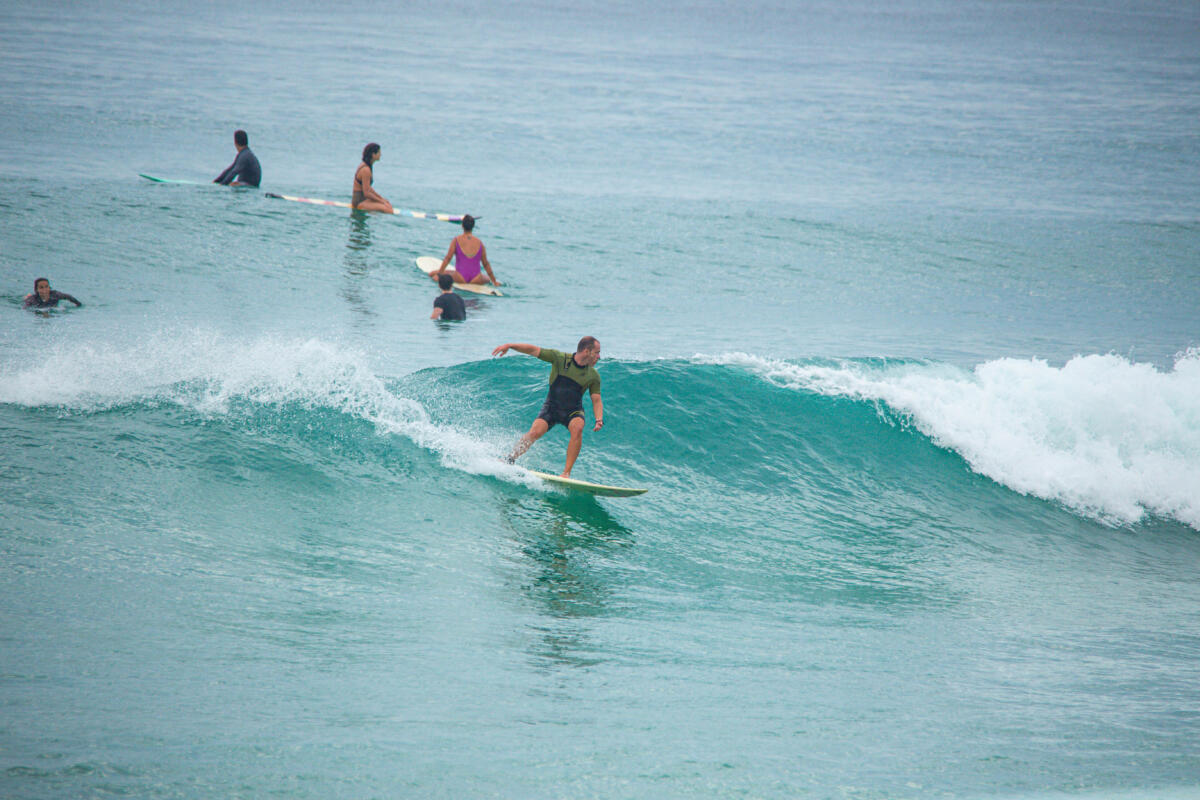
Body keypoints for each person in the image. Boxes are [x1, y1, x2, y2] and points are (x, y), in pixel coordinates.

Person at [492, 337, 604, 478]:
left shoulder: (593, 375)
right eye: (597, 352)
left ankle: (566, 473)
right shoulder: (560, 358)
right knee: (534, 433)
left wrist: (599, 419)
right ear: (587, 351)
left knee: (578, 428)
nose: (599, 357)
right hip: (552, 407)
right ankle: (509, 459)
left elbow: (596, 399)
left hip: (573, 411)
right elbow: (533, 350)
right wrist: (510, 345)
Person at [429, 214, 500, 287]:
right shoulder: (480, 243)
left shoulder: (456, 240)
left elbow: (448, 258)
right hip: (476, 279)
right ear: (473, 226)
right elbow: (486, 264)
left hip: (460, 277)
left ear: (462, 226)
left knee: (432, 273)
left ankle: (437, 274)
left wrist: (439, 275)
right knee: (487, 279)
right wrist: (494, 281)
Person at [352, 143, 394, 213]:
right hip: (359, 202)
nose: (380, 155)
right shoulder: (366, 170)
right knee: (389, 210)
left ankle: (372, 212)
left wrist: (382, 199)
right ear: (373, 155)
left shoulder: (368, 166)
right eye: (379, 153)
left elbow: (368, 188)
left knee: (387, 204)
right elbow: (367, 193)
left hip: (364, 199)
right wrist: (381, 201)